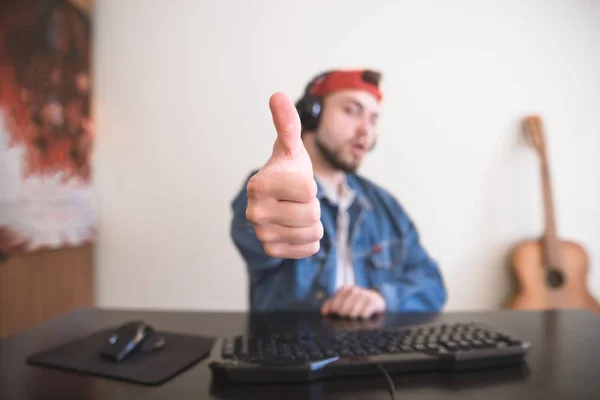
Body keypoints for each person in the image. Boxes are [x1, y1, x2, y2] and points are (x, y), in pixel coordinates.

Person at [231, 69, 447, 319]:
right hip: (294, 353)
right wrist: (265, 216)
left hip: (375, 354)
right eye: (351, 111)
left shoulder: (385, 206)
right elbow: (256, 235)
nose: (366, 130)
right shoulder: (271, 189)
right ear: (313, 115)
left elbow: (433, 284)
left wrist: (382, 298)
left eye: (374, 119)